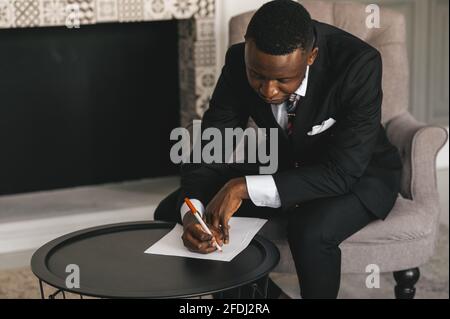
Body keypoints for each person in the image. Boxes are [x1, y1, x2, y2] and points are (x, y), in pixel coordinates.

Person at [155, 0, 402, 299]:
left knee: (309, 231)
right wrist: (192, 211)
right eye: (257, 75)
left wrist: (241, 188)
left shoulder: (358, 64)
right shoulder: (237, 62)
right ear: (247, 47)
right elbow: (212, 144)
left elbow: (343, 171)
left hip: (359, 174)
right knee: (173, 208)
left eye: (283, 80)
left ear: (311, 56)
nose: (268, 90)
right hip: (287, 167)